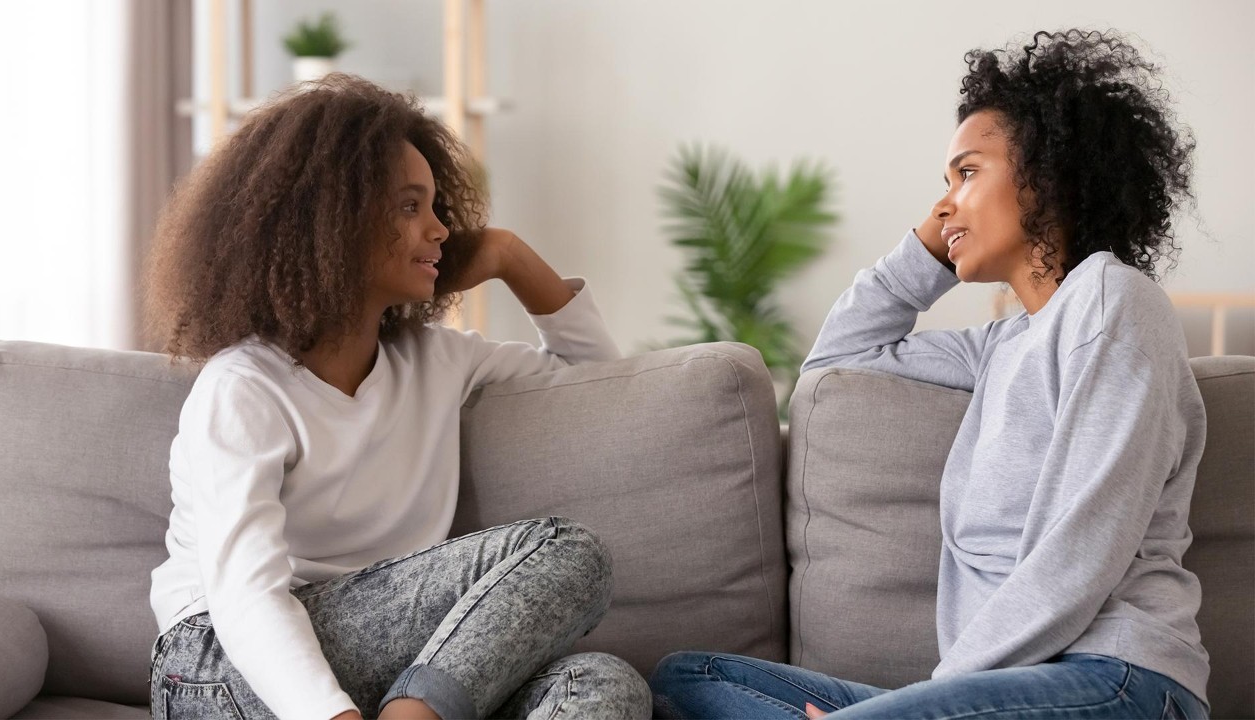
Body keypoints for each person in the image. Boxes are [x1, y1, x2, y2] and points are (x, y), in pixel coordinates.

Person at [650, 29, 1209, 720]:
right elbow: (836, 363)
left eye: (967, 172)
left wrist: (933, 702)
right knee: (690, 678)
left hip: (1118, 680)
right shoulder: (999, 347)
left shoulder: (1114, 300)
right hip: (990, 691)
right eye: (943, 184)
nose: (946, 206)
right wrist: (925, 252)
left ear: (1048, 175)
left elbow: (1082, 551)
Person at [144, 74, 651, 720]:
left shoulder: (439, 359)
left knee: (601, 682)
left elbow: (603, 385)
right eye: (410, 207)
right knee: (571, 552)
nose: (441, 230)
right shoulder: (241, 388)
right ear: (330, 222)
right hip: (217, 667)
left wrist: (508, 256)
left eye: (438, 207)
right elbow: (246, 596)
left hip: (381, 665)